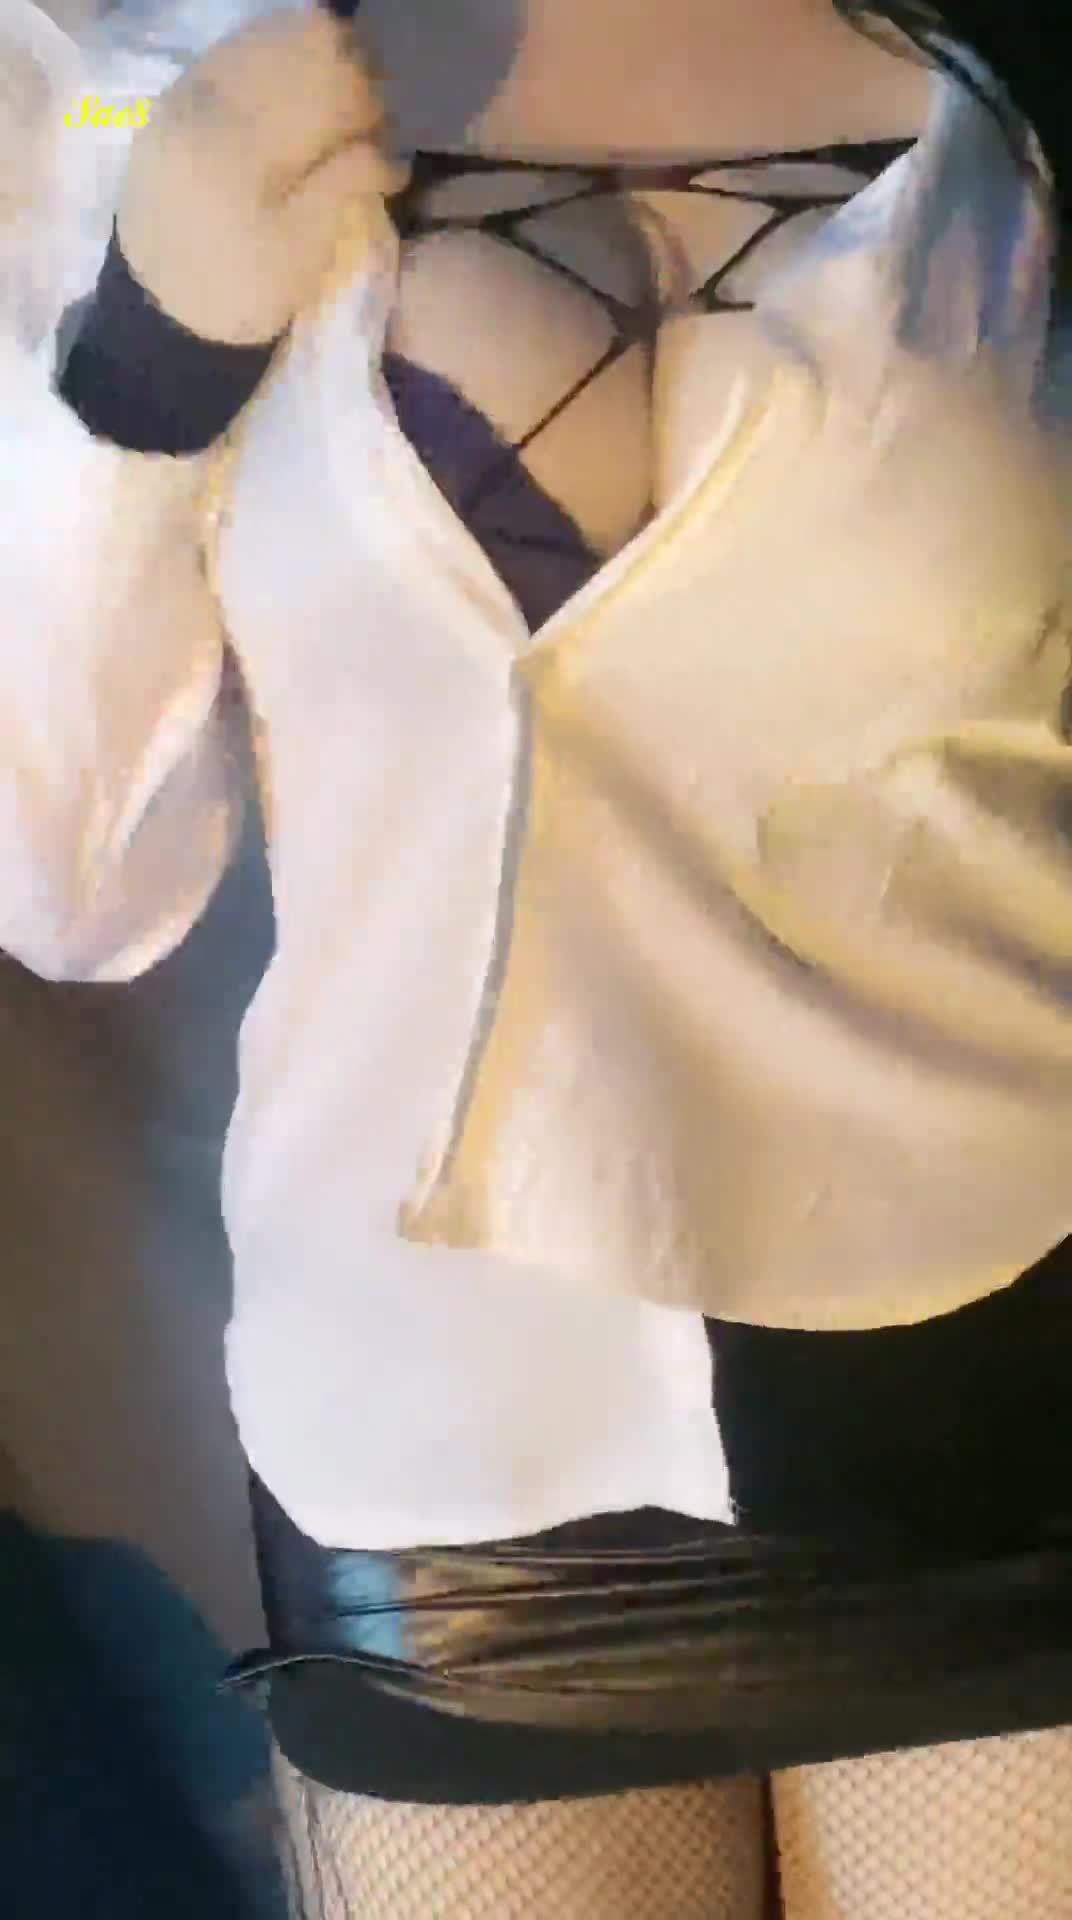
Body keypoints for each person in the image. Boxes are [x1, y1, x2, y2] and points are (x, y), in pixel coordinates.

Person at [2, 1, 1070, 1913]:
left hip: (1014, 1412)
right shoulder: (116, 81)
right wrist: (143, 360)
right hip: (450, 1464)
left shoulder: (1018, 87)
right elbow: (61, 876)